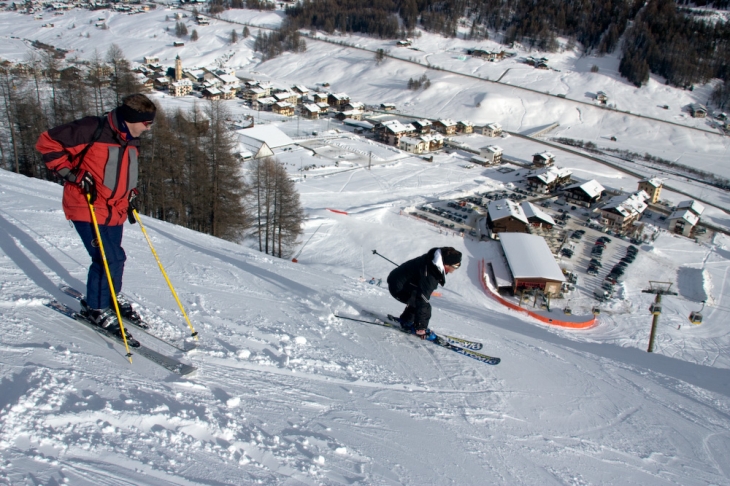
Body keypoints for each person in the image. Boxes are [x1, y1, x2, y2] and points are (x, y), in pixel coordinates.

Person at [36, 93, 156, 337]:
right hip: (87, 205)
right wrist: (72, 174)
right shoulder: (92, 128)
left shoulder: (131, 139)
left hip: (115, 209)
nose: (149, 128)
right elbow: (46, 142)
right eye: (147, 122)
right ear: (132, 118)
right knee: (106, 258)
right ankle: (96, 308)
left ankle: (109, 297)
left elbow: (122, 170)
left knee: (117, 258)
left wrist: (130, 192)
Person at [387, 247, 462, 339]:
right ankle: (419, 329)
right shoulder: (431, 274)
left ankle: (406, 321)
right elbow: (422, 299)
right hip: (398, 288)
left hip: (400, 282)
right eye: (455, 266)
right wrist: (421, 326)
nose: (454, 270)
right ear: (446, 264)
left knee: (418, 299)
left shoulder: (431, 261)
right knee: (424, 305)